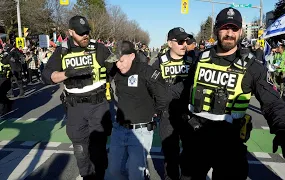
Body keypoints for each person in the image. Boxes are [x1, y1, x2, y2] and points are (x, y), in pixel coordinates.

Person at [170, 8, 285, 179]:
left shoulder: (252, 67)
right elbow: (182, 92)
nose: (229, 33)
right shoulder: (200, 59)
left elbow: (272, 102)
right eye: (224, 28)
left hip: (230, 144)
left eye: (234, 29)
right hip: (195, 140)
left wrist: (282, 131)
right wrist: (178, 121)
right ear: (216, 30)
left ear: (241, 32)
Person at [42, 15, 113, 180]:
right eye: (81, 33)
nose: (85, 36)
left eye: (87, 32)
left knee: (98, 150)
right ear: (70, 32)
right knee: (80, 150)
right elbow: (46, 76)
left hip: (98, 104)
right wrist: (67, 74)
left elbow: (117, 68)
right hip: (75, 107)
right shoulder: (62, 51)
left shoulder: (99, 48)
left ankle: (100, 176)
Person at [106, 40, 169, 180]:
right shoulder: (116, 70)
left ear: (132, 56)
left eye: (121, 61)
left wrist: (156, 111)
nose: (118, 64)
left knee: (135, 174)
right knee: (114, 171)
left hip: (140, 131)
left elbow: (163, 95)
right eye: (116, 61)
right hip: (119, 129)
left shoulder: (146, 71)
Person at [152, 27, 195, 180]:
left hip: (189, 115)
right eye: (180, 41)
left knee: (190, 157)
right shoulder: (159, 63)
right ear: (170, 43)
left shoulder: (193, 62)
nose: (185, 44)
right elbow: (152, 88)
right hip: (167, 116)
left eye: (186, 41)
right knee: (170, 158)